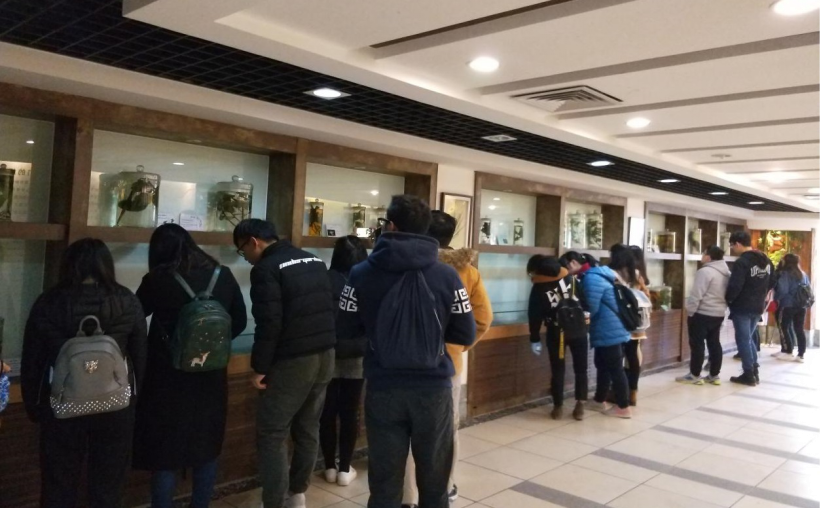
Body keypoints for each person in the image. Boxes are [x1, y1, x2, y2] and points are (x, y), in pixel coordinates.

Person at [336, 195, 476, 509]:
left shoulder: (361, 273)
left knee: (385, 482)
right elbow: (466, 332)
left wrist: (380, 335)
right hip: (433, 389)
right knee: (435, 482)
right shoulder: (447, 275)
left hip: (383, 386)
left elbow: (344, 330)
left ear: (391, 226)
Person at [21, 239, 147, 508]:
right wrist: (133, 401)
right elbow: (139, 357)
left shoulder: (49, 302)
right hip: (115, 407)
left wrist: (34, 406)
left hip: (62, 405)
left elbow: (32, 360)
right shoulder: (128, 300)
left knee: (58, 483)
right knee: (108, 485)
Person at [133, 224, 248, 508]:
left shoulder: (156, 279)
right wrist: (208, 348)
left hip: (166, 379)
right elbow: (239, 320)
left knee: (164, 453)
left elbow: (134, 319)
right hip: (211, 378)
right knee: (206, 448)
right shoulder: (222, 274)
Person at [234, 219, 336, 509]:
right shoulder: (313, 260)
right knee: (308, 426)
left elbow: (269, 324)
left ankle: (275, 502)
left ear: (254, 242)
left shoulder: (266, 269)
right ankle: (297, 493)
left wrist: (260, 368)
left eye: (242, 250)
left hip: (294, 360)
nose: (246, 257)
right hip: (326, 354)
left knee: (272, 432)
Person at [402, 210, 493, 507]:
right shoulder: (467, 272)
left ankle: (408, 495)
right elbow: (483, 319)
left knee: (405, 429)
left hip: (403, 361)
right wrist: (458, 347)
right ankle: (446, 486)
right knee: (445, 430)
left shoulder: (403, 265)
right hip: (447, 366)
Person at [321, 236, 369, 487]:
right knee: (350, 412)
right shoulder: (365, 280)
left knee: (327, 411)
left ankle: (329, 466)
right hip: (356, 355)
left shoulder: (324, 279)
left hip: (327, 353)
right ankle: (344, 468)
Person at [528, 255, 587, 421]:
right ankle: (580, 405)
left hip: (556, 332)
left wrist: (534, 338)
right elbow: (585, 304)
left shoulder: (539, 286)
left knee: (557, 369)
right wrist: (586, 326)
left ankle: (558, 406)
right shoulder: (572, 280)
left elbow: (534, 314)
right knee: (581, 368)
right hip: (579, 331)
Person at [583, 247, 633, 419]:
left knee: (615, 368)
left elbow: (591, 307)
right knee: (603, 364)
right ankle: (599, 399)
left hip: (607, 328)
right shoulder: (613, 276)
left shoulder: (593, 277)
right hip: (616, 327)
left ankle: (623, 407)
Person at [725, 231, 775, 387]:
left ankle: (748, 374)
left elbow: (735, 285)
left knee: (743, 340)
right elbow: (773, 281)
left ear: (738, 244)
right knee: (748, 338)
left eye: (732, 246)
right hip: (758, 306)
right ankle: (754, 371)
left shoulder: (742, 262)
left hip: (742, 306)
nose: (732, 249)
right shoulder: (766, 260)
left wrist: (729, 299)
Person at [678, 245, 730, 386]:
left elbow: (696, 294)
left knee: (697, 344)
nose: (702, 256)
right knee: (714, 343)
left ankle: (695, 375)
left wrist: (690, 311)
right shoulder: (727, 272)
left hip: (702, 313)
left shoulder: (705, 272)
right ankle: (714, 375)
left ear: (709, 256)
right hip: (719, 313)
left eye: (703, 253)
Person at [623, 245, 651, 406]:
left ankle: (624, 390)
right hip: (639, 320)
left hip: (626, 319)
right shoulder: (641, 274)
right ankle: (633, 391)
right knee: (633, 354)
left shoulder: (628, 274)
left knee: (623, 355)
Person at [774, 253, 811, 363]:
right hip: (802, 305)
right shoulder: (803, 274)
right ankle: (801, 354)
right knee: (799, 329)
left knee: (784, 327)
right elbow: (808, 288)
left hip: (788, 305)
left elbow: (783, 290)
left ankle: (788, 351)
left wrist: (776, 298)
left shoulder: (785, 274)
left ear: (786, 262)